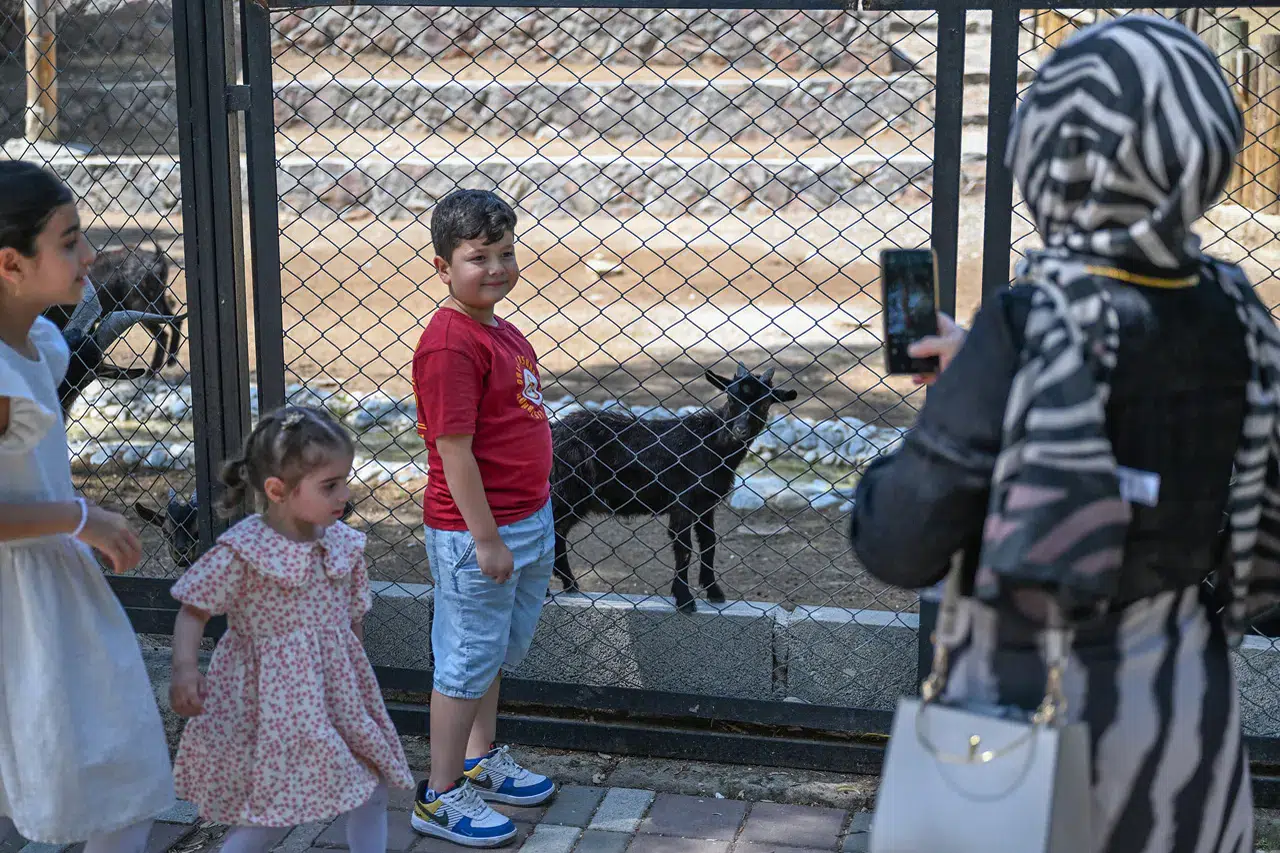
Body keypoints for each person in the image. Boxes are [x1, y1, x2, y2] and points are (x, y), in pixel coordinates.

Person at [850, 16, 1263, 853]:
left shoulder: (1030, 321)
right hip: (1186, 707)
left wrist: (969, 390)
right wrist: (999, 376)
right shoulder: (1237, 312)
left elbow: (898, 542)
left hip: (1027, 716)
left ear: (1047, 154)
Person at [0, 161, 175, 851]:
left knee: (116, 775)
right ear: (11, 263)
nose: (91, 256)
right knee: (110, 772)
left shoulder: (36, 344)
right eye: (70, 241)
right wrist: (79, 518)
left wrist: (73, 511)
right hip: (21, 594)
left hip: (45, 583)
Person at [168, 405, 414, 852]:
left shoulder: (342, 546)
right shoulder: (245, 551)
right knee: (273, 813)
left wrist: (357, 684)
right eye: (330, 485)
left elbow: (352, 621)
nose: (345, 495)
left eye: (345, 480)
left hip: (337, 699)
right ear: (278, 490)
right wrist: (185, 668)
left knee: (371, 786)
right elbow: (194, 609)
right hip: (273, 708)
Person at [410, 188, 557, 847]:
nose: (496, 268)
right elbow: (454, 450)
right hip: (478, 534)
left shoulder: (499, 328)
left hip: (526, 520)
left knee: (492, 650)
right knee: (467, 659)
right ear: (443, 267)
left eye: (506, 253)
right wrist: (487, 538)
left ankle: (479, 756)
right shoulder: (449, 344)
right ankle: (440, 794)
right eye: (478, 257)